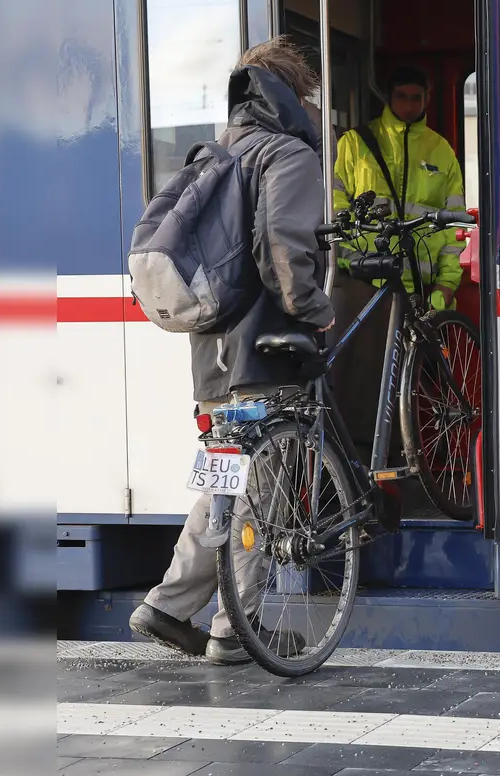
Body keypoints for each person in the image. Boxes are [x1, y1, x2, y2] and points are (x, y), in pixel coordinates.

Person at [127, 37, 333, 665]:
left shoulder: (218, 154)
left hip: (210, 352)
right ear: (294, 95)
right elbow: (284, 249)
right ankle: (234, 629)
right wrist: (316, 313)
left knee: (223, 479)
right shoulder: (287, 154)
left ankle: (166, 604)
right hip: (262, 349)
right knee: (260, 490)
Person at [328, 65, 469, 462]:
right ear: (390, 98)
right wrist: (353, 257)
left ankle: (406, 466)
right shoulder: (354, 144)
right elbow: (337, 207)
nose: (409, 105)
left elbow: (454, 225)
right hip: (366, 281)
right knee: (366, 381)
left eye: (416, 98)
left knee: (412, 386)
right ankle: (367, 466)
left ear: (427, 99)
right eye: (402, 97)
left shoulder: (441, 151)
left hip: (422, 292)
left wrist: (445, 287)